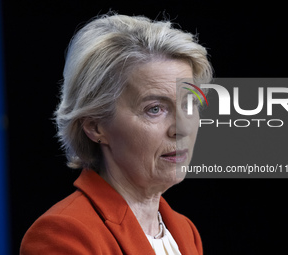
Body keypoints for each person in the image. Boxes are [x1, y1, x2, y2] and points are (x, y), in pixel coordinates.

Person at [20, 13, 212, 255]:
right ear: (95, 126)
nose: (182, 128)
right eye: (154, 109)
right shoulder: (64, 233)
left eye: (188, 104)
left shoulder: (185, 231)